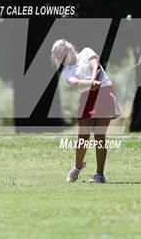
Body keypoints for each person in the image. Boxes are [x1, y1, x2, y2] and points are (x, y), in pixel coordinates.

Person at [51, 39, 121, 183]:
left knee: (99, 136)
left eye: (64, 56)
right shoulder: (66, 72)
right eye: (60, 59)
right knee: (83, 138)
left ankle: (99, 175)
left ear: (70, 49)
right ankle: (78, 166)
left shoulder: (86, 51)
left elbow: (95, 64)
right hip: (86, 97)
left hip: (104, 92)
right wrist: (90, 84)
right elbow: (75, 83)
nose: (63, 60)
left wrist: (95, 80)